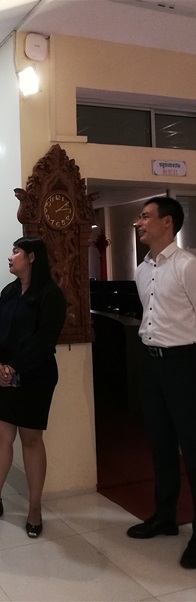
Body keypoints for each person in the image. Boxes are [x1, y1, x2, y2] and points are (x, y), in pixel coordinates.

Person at [0, 237, 66, 536]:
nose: (10, 257)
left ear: (32, 257)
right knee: (1, 437)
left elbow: (45, 340)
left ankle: (34, 508)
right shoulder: (9, 292)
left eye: (16, 252)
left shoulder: (50, 294)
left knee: (31, 439)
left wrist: (14, 367)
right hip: (4, 374)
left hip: (35, 375)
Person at [128, 196, 196, 569]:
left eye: (145, 217)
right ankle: (165, 516)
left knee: (193, 448)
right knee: (160, 444)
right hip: (151, 364)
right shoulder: (143, 269)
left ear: (167, 223)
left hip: (184, 364)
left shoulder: (187, 266)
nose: (139, 223)